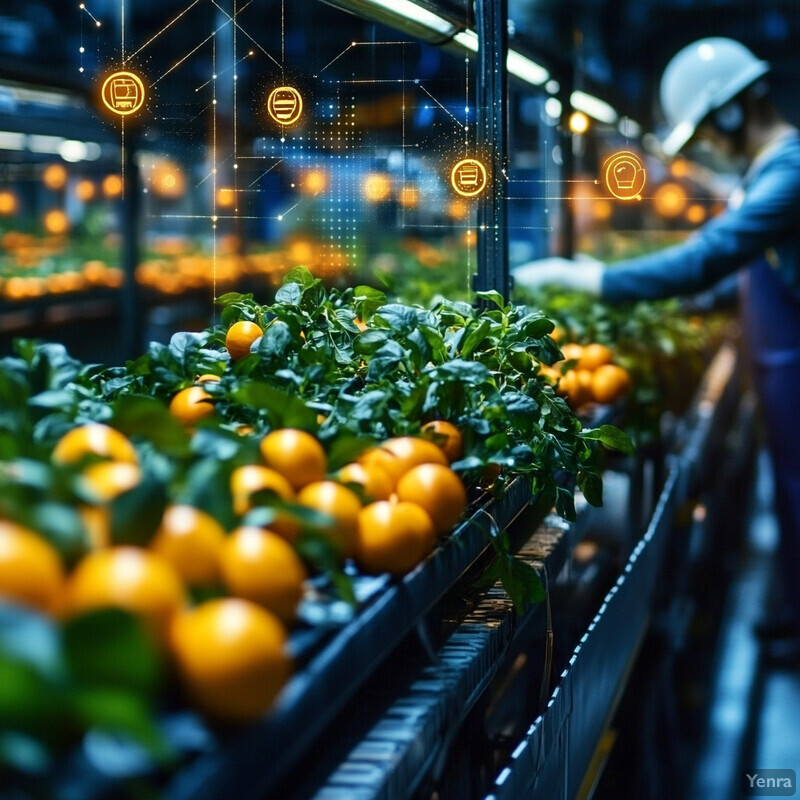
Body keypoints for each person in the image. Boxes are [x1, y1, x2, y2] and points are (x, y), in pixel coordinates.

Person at [514, 37, 800, 664]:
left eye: (706, 130)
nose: (707, 146)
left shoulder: (791, 170)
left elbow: (709, 258)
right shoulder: (768, 173)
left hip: (793, 370)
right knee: (789, 488)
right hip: (780, 370)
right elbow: (745, 273)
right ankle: (791, 611)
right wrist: (684, 305)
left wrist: (593, 279)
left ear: (731, 112)